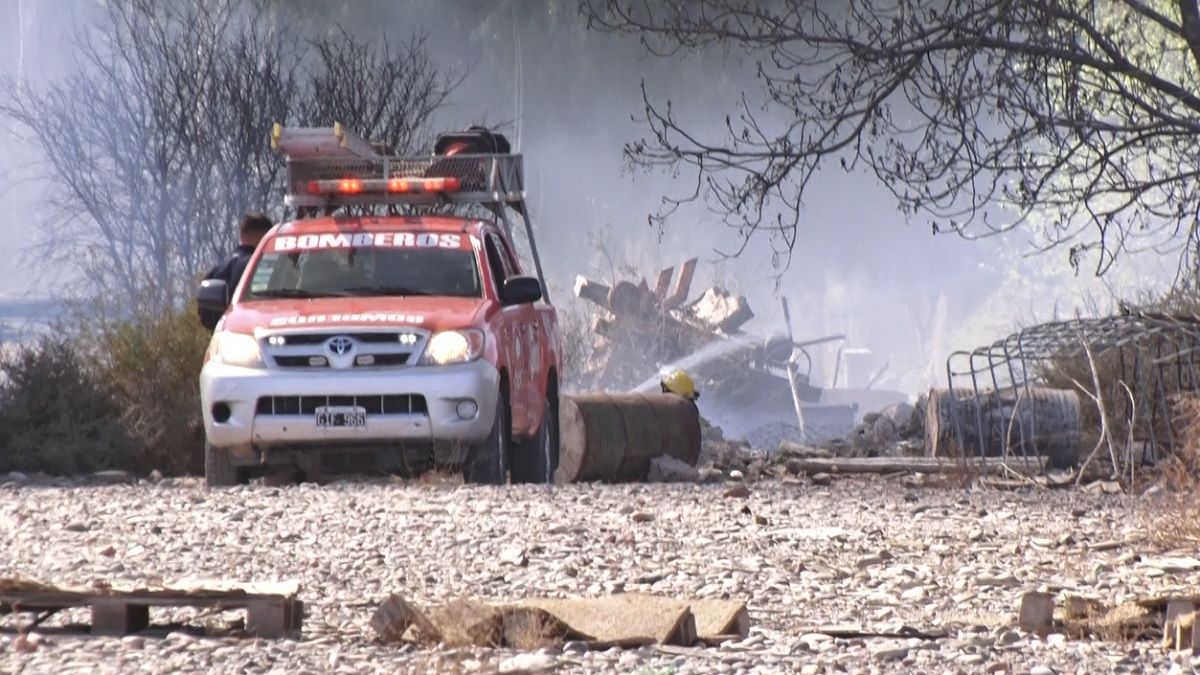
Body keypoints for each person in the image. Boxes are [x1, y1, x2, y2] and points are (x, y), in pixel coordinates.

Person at [198, 212, 273, 328]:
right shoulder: (262, 269)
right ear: (264, 237)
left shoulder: (215, 272)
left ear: (242, 235)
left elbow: (205, 316)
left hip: (222, 340)